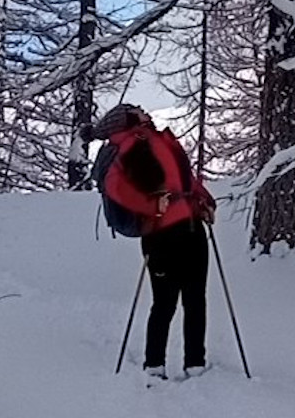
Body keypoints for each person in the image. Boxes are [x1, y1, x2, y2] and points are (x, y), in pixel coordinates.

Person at [84, 104, 216, 383]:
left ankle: (193, 363)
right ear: (127, 118)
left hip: (190, 223)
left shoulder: (157, 139)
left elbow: (185, 179)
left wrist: (205, 200)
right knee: (168, 302)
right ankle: (156, 364)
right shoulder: (129, 144)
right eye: (138, 109)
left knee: (193, 298)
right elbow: (116, 187)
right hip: (161, 232)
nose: (144, 111)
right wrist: (152, 205)